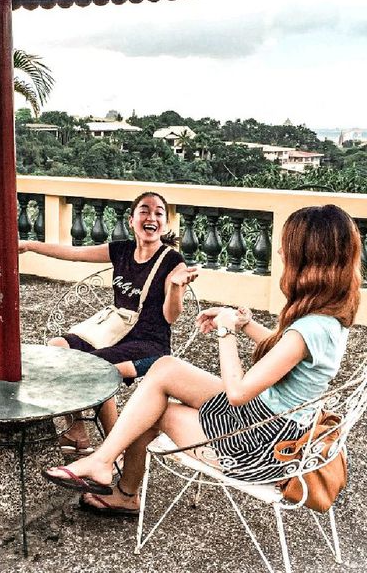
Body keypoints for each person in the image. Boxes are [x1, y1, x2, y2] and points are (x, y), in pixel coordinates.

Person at [42, 204, 362, 516]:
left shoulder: (309, 327)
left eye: (286, 247)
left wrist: (226, 333)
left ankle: (119, 485)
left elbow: (237, 392)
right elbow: (288, 351)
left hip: (261, 444)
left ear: (308, 259)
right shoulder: (328, 317)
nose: (279, 253)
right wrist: (244, 323)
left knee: (154, 409)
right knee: (165, 368)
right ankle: (105, 463)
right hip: (269, 419)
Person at [19, 191, 197, 452]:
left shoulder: (172, 261)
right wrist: (30, 245)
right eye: (144, 211)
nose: (152, 217)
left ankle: (114, 449)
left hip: (149, 344)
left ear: (165, 223)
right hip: (114, 332)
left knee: (96, 369)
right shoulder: (122, 250)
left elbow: (171, 316)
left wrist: (176, 288)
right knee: (56, 348)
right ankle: (77, 431)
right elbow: (74, 253)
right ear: (132, 220)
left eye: (159, 212)